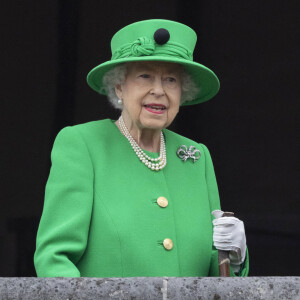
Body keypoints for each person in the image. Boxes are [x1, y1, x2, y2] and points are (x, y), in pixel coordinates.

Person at [34, 19, 249, 277]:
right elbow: (54, 259)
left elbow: (218, 279)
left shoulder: (196, 156)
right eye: (145, 76)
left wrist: (235, 258)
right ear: (119, 87)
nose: (158, 90)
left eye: (170, 80)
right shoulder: (82, 144)